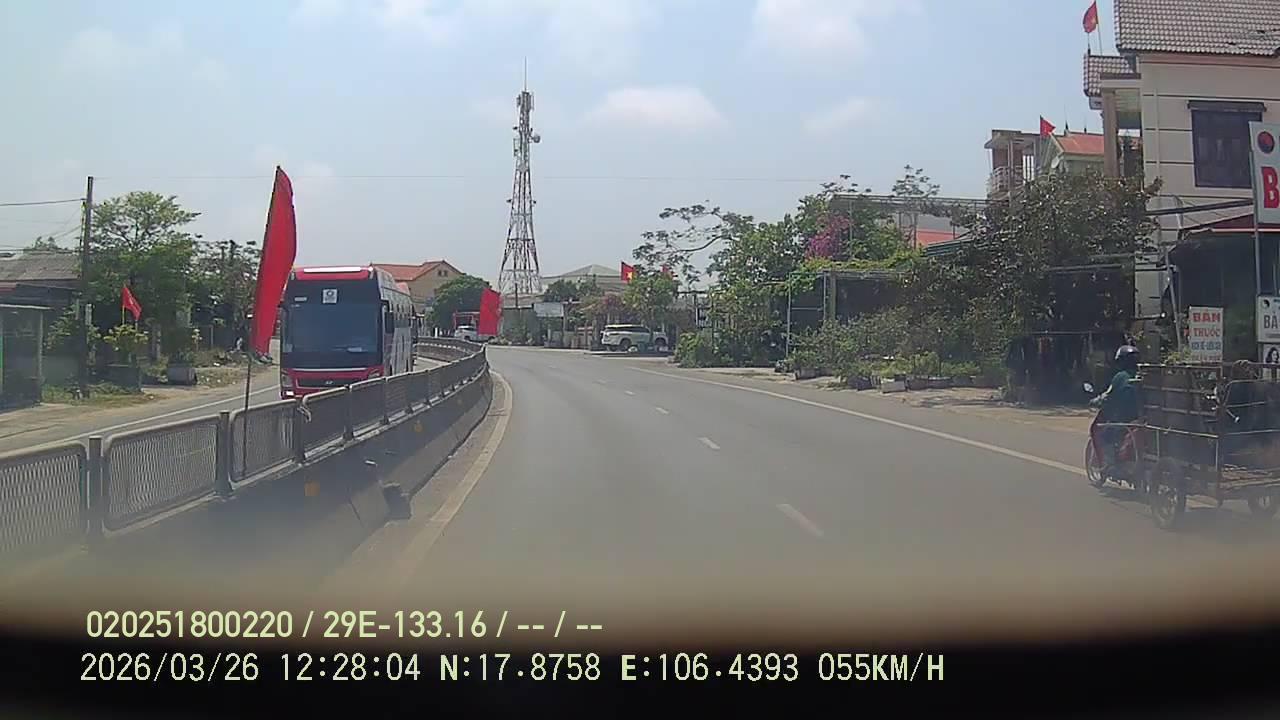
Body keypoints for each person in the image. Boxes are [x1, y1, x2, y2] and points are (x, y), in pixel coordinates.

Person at [1090, 345, 1141, 467]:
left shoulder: (1120, 376)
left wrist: (1095, 401)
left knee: (1095, 429)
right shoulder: (1142, 375)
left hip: (1122, 418)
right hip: (1140, 417)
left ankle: (1104, 463)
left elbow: (1108, 396)